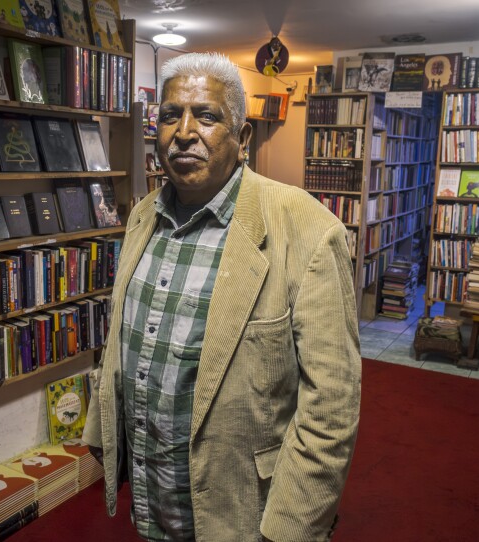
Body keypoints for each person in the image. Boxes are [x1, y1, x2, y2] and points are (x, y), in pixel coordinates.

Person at [82, 52, 361, 542]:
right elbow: (118, 342)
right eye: (170, 115)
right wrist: (101, 432)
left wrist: (290, 528)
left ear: (243, 138)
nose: (184, 132)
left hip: (243, 512)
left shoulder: (309, 232)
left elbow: (331, 408)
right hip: (151, 496)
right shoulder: (142, 216)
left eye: (207, 116)